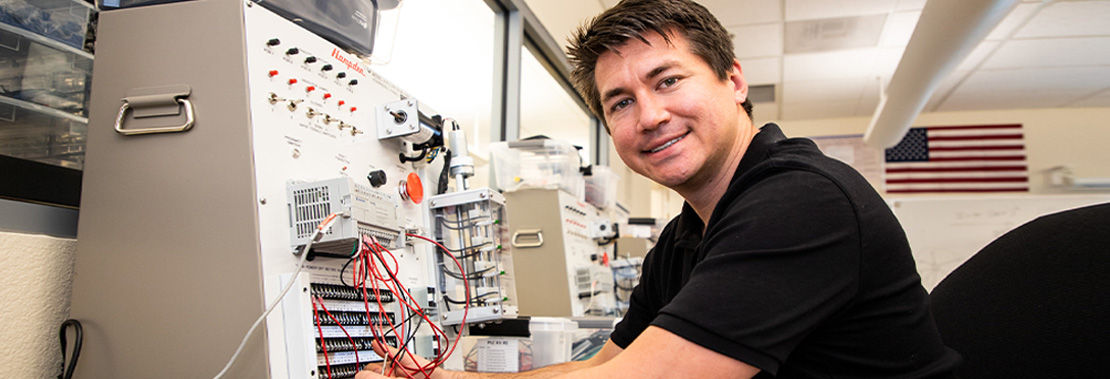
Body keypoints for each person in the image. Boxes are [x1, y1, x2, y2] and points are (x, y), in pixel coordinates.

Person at [357, 0, 961, 377]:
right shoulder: (683, 238)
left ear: (734, 81)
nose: (648, 117)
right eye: (621, 102)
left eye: (668, 80)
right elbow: (607, 365)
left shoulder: (801, 201)